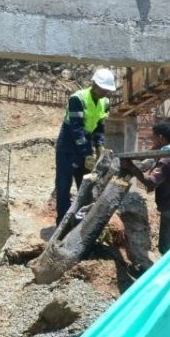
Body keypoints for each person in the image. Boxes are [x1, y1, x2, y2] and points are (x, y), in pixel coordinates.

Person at [54, 68, 116, 225]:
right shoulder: (78, 98)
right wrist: (87, 153)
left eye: (107, 90)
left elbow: (100, 126)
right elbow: (76, 129)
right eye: (103, 89)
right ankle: (62, 223)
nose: (105, 93)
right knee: (63, 185)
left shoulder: (105, 102)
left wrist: (100, 146)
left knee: (85, 185)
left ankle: (82, 223)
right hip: (67, 146)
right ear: (94, 84)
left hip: (85, 142)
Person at [125, 122, 170, 254]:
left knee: (167, 250)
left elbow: (151, 182)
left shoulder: (166, 158)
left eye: (153, 137)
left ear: (160, 138)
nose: (152, 141)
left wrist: (131, 167)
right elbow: (150, 159)